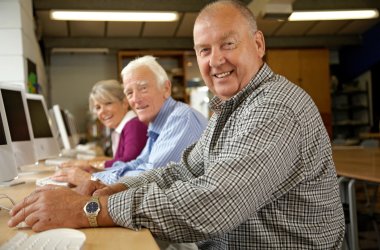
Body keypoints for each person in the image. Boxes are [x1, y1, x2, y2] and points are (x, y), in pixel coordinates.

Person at [8, 1, 345, 249]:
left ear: (258, 45)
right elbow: (182, 171)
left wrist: (90, 209)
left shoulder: (273, 107)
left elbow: (215, 203)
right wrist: (118, 188)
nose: (215, 60)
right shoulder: (229, 109)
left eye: (228, 44)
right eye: (204, 50)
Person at [53, 55, 208, 185]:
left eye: (143, 88)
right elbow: (138, 164)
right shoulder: (158, 122)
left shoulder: (180, 118)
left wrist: (91, 179)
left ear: (166, 88)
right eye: (129, 92)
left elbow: (149, 178)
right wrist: (98, 171)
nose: (135, 99)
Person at [52, 80, 148, 185]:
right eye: (98, 107)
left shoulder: (134, 125)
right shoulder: (122, 127)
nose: (102, 111)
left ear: (124, 103)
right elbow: (117, 161)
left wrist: (92, 165)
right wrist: (90, 166)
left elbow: (128, 161)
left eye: (108, 103)